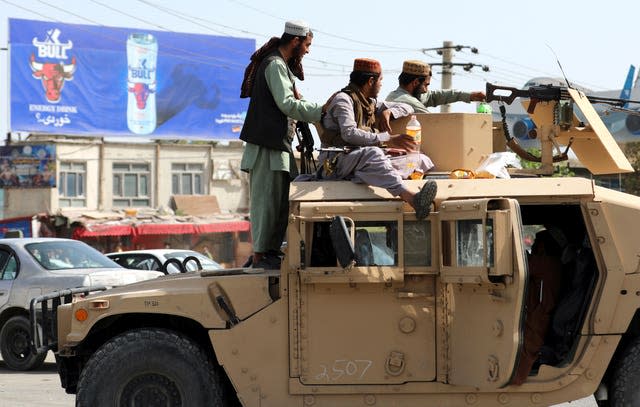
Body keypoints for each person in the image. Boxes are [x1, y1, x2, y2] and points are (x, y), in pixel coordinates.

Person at [239, 20, 330, 270]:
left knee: (280, 203)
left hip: (278, 147)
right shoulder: (275, 65)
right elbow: (288, 105)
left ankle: (269, 252)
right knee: (266, 204)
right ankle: (260, 256)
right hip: (265, 148)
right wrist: (322, 111)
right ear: (295, 41)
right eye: (307, 45)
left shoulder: (281, 66)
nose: (308, 51)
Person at [317, 58, 437, 220]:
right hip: (337, 160)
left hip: (359, 160)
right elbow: (349, 134)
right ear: (370, 81)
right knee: (374, 154)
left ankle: (363, 174)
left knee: (419, 159)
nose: (381, 85)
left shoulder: (370, 103)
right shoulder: (343, 100)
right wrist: (387, 138)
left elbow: (407, 106)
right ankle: (412, 198)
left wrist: (389, 112)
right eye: (380, 80)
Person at [386, 60, 485, 112]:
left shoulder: (401, 95)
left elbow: (434, 96)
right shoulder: (409, 102)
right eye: (425, 85)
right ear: (415, 82)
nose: (426, 90)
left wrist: (470, 96)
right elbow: (433, 122)